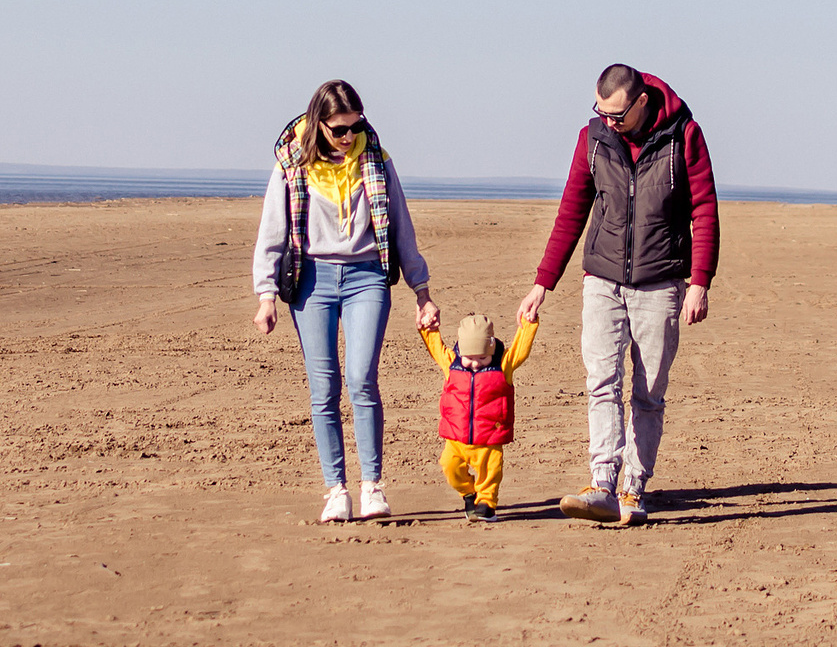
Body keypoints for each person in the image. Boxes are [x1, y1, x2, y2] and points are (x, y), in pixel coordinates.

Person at [517, 64, 718, 527]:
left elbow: (704, 209)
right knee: (602, 382)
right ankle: (603, 483)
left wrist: (700, 281)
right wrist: (542, 283)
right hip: (602, 281)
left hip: (661, 283)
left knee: (648, 393)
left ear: (641, 101)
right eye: (601, 112)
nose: (608, 121)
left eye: (617, 115)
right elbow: (572, 210)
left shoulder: (683, 136)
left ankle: (634, 488)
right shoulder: (593, 139)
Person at [252, 79, 440, 524]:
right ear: (319, 124)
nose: (348, 136)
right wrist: (266, 295)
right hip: (311, 281)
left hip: (366, 277)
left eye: (355, 126)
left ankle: (372, 486)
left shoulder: (376, 159)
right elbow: (272, 232)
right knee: (324, 388)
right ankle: (335, 490)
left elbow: (402, 228)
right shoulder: (291, 165)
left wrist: (422, 292)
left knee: (361, 379)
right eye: (339, 129)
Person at [417, 310, 540, 523]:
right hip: (456, 438)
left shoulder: (503, 365)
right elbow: (435, 347)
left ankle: (486, 504)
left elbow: (520, 349)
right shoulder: (451, 363)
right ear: (460, 351)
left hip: (489, 439)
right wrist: (428, 329)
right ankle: (468, 494)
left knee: (490, 472)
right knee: (449, 466)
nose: (475, 363)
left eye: (482, 358)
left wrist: (528, 324)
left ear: (491, 349)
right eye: (469, 358)